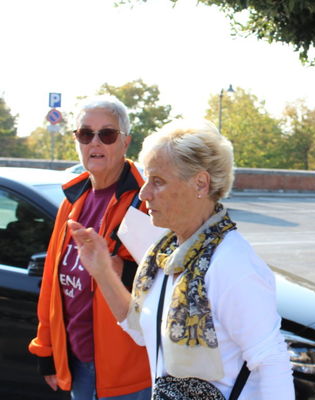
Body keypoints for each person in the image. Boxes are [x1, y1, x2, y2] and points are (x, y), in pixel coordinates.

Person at [67, 121, 295, 399]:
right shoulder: (162, 254)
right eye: (147, 179)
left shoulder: (232, 262)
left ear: (200, 183)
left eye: (158, 182)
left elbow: (271, 363)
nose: (144, 193)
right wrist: (102, 271)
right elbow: (140, 330)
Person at [28, 95, 152, 400]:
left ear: (125, 142)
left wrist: (116, 269)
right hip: (78, 362)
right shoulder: (73, 200)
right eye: (85, 134)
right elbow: (52, 283)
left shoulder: (145, 201)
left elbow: (161, 281)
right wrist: (47, 349)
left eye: (107, 134)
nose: (95, 143)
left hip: (129, 373)